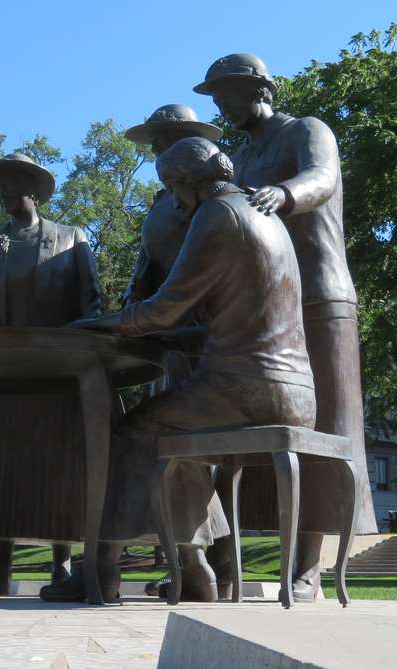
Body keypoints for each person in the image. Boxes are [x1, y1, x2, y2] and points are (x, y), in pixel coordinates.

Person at [42, 138, 316, 602]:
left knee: (130, 432)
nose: (172, 200)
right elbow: (240, 324)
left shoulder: (218, 214)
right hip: (297, 392)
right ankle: (196, 571)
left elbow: (163, 308)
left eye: (172, 187)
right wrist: (170, 335)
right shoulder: (261, 212)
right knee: (178, 446)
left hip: (244, 387)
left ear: (188, 181)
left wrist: (98, 324)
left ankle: (101, 572)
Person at [194, 53, 376, 601]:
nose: (222, 104)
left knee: (327, 425)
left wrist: (285, 193)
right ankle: (229, 565)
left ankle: (310, 566)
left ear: (261, 88)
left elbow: (323, 177)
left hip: (320, 295)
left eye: (229, 92)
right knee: (254, 430)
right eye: (216, 95)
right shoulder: (242, 156)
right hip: (265, 308)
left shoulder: (306, 130)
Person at [0, 152, 102, 595]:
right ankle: (0, 568)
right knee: (3, 470)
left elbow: (91, 306)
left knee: (60, 470)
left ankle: (61, 564)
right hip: (6, 375)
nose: (4, 192)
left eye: (12, 183)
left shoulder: (70, 238)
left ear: (34, 189)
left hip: (60, 374)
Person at [122, 104, 232, 599]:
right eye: (153, 143)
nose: (157, 149)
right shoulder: (158, 205)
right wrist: (128, 311)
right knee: (169, 451)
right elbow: (144, 268)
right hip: (163, 337)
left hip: (210, 339)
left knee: (190, 451)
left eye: (166, 139)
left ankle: (199, 561)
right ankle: (185, 559)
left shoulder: (215, 200)